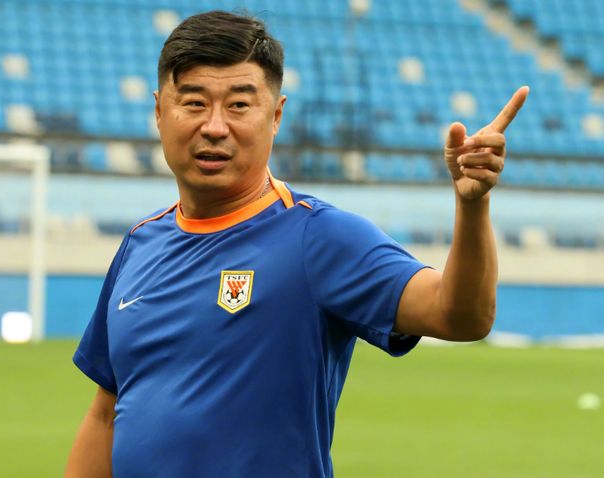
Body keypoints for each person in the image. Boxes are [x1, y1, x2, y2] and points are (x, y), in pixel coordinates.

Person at [65, 10, 528, 478]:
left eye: (239, 105)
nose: (215, 126)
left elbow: (461, 316)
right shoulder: (141, 243)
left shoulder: (317, 237)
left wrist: (473, 206)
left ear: (276, 116)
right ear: (159, 112)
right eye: (194, 103)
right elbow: (106, 413)